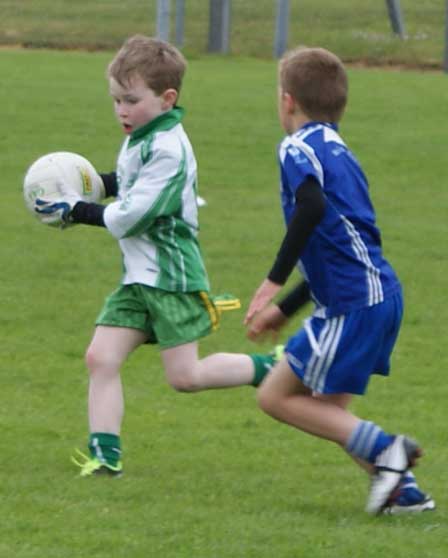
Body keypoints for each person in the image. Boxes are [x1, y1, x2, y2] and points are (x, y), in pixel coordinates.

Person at [35, 35, 275, 477]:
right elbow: (128, 181)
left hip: (171, 278)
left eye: (130, 100)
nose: (121, 110)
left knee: (185, 377)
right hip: (138, 278)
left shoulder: (169, 149)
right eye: (115, 100)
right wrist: (93, 184)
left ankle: (272, 367)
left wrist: (75, 209)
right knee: (100, 358)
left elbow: (132, 215)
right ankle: (105, 457)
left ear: (167, 99)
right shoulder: (142, 135)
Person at [244, 46, 434, 515]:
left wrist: (271, 282)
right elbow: (337, 243)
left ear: (287, 100)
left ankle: (389, 449)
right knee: (328, 408)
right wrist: (285, 309)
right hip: (375, 296)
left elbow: (312, 211)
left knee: (275, 396)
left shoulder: (296, 147)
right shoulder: (340, 152)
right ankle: (403, 494)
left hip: (353, 304)